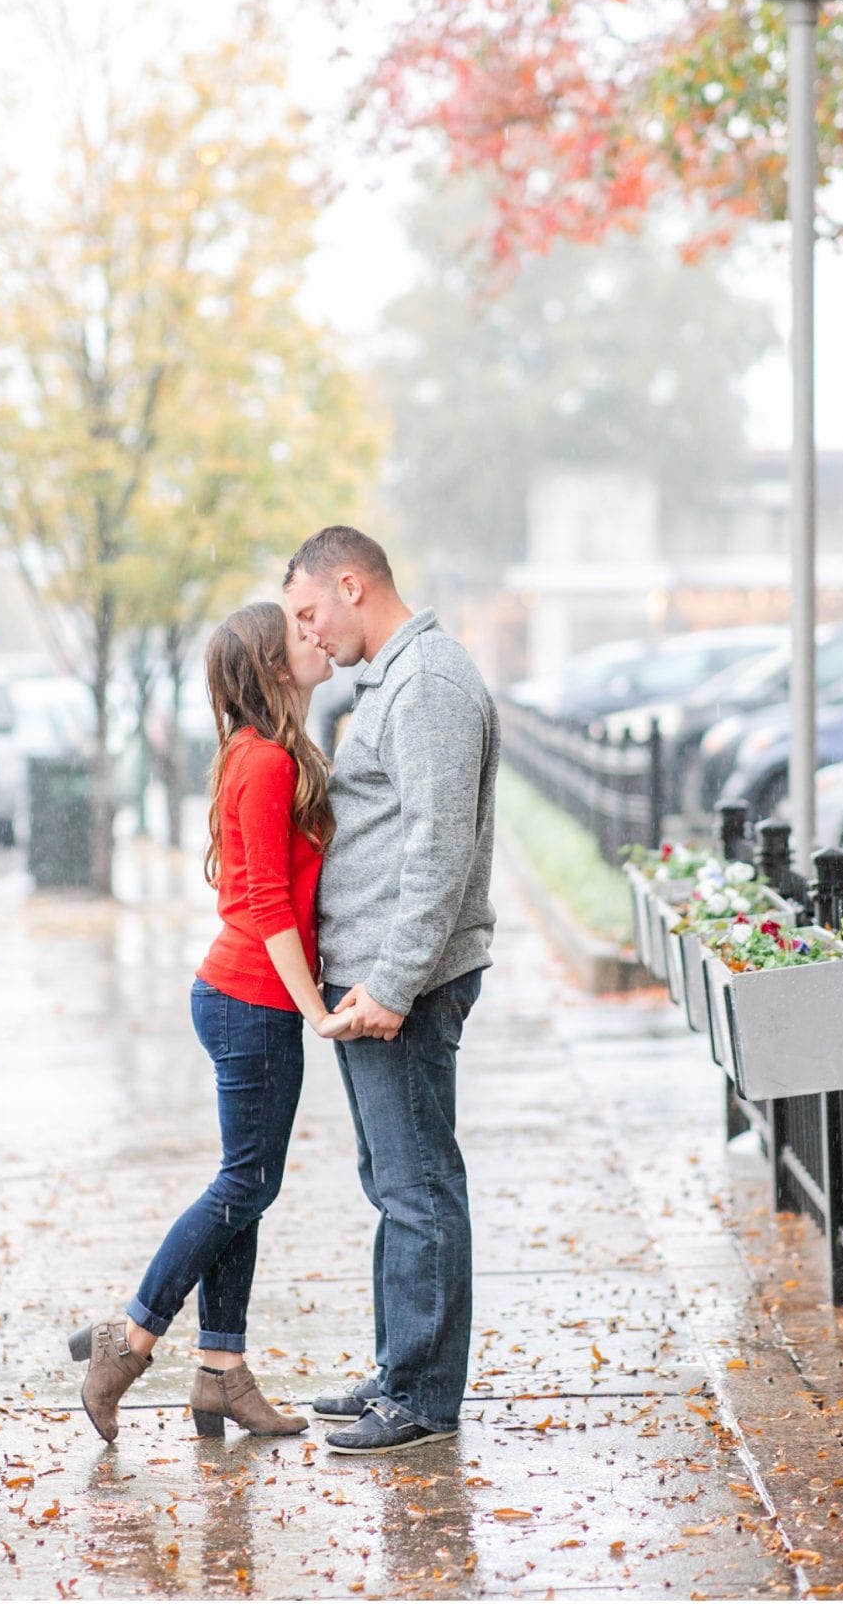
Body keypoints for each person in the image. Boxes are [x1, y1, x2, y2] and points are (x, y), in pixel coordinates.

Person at [68, 602, 359, 1444]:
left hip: (243, 996)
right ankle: (128, 1341)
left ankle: (221, 1374)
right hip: (254, 999)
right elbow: (267, 901)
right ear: (270, 667)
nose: (314, 636)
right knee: (244, 1185)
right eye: (296, 634)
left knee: (247, 1188)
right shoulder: (265, 761)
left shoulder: (259, 752)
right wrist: (314, 1008)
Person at [283, 526, 500, 1454]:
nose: (308, 634)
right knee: (393, 1182)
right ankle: (398, 1370)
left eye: (308, 613)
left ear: (350, 584)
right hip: (373, 981)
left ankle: (422, 1399)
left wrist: (395, 985)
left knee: (417, 1188)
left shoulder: (431, 684)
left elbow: (437, 848)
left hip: (397, 984)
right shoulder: (399, 681)